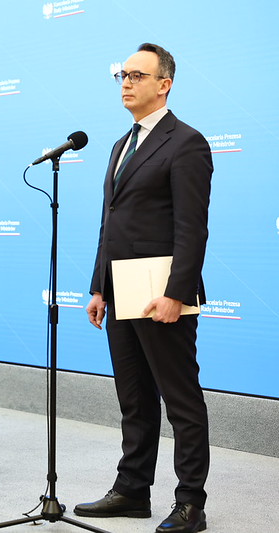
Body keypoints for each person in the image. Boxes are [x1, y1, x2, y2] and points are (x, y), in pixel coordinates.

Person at [73, 43, 212, 533]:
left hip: (161, 292)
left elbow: (192, 229)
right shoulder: (121, 144)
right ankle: (133, 489)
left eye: (137, 75)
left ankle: (190, 502)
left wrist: (176, 293)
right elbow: (110, 223)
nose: (126, 82)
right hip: (121, 290)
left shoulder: (186, 142)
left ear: (164, 84)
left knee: (181, 400)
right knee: (134, 398)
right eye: (123, 75)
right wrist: (99, 287)